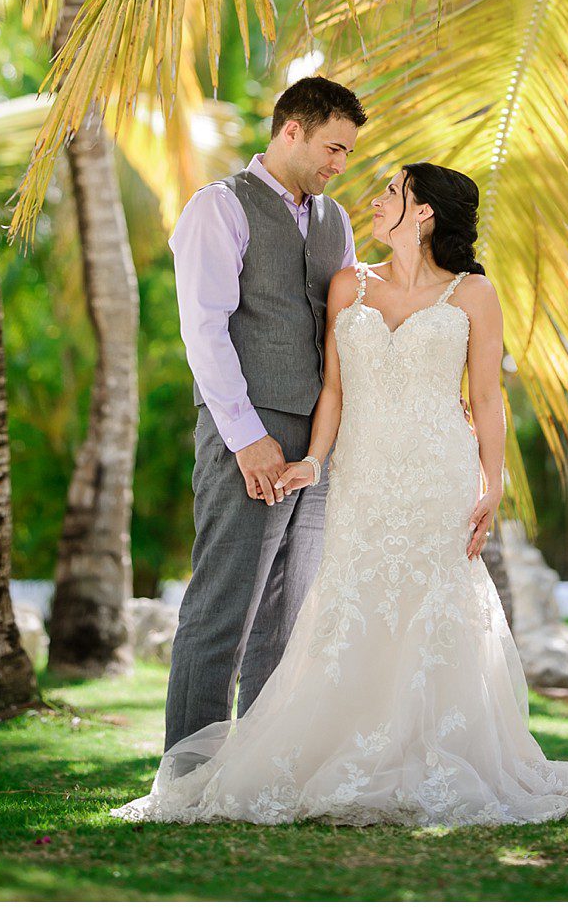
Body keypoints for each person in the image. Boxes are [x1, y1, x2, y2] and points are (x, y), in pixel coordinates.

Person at [113, 161, 568, 826]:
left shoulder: (474, 293)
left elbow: (489, 399)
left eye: (392, 192)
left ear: (424, 211)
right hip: (363, 470)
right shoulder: (350, 283)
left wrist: (493, 484)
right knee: (354, 601)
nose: (375, 200)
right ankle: (344, 749)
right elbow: (334, 390)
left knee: (432, 606)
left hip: (439, 471)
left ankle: (431, 750)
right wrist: (314, 462)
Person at [161, 75, 366, 754]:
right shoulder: (220, 207)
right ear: (291, 131)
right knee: (224, 606)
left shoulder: (336, 221)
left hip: (319, 442)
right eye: (333, 148)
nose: (340, 165)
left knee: (287, 616)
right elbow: (204, 330)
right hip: (249, 430)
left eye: (348, 153)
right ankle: (188, 772)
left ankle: (257, 771)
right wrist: (247, 437)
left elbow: (348, 327)